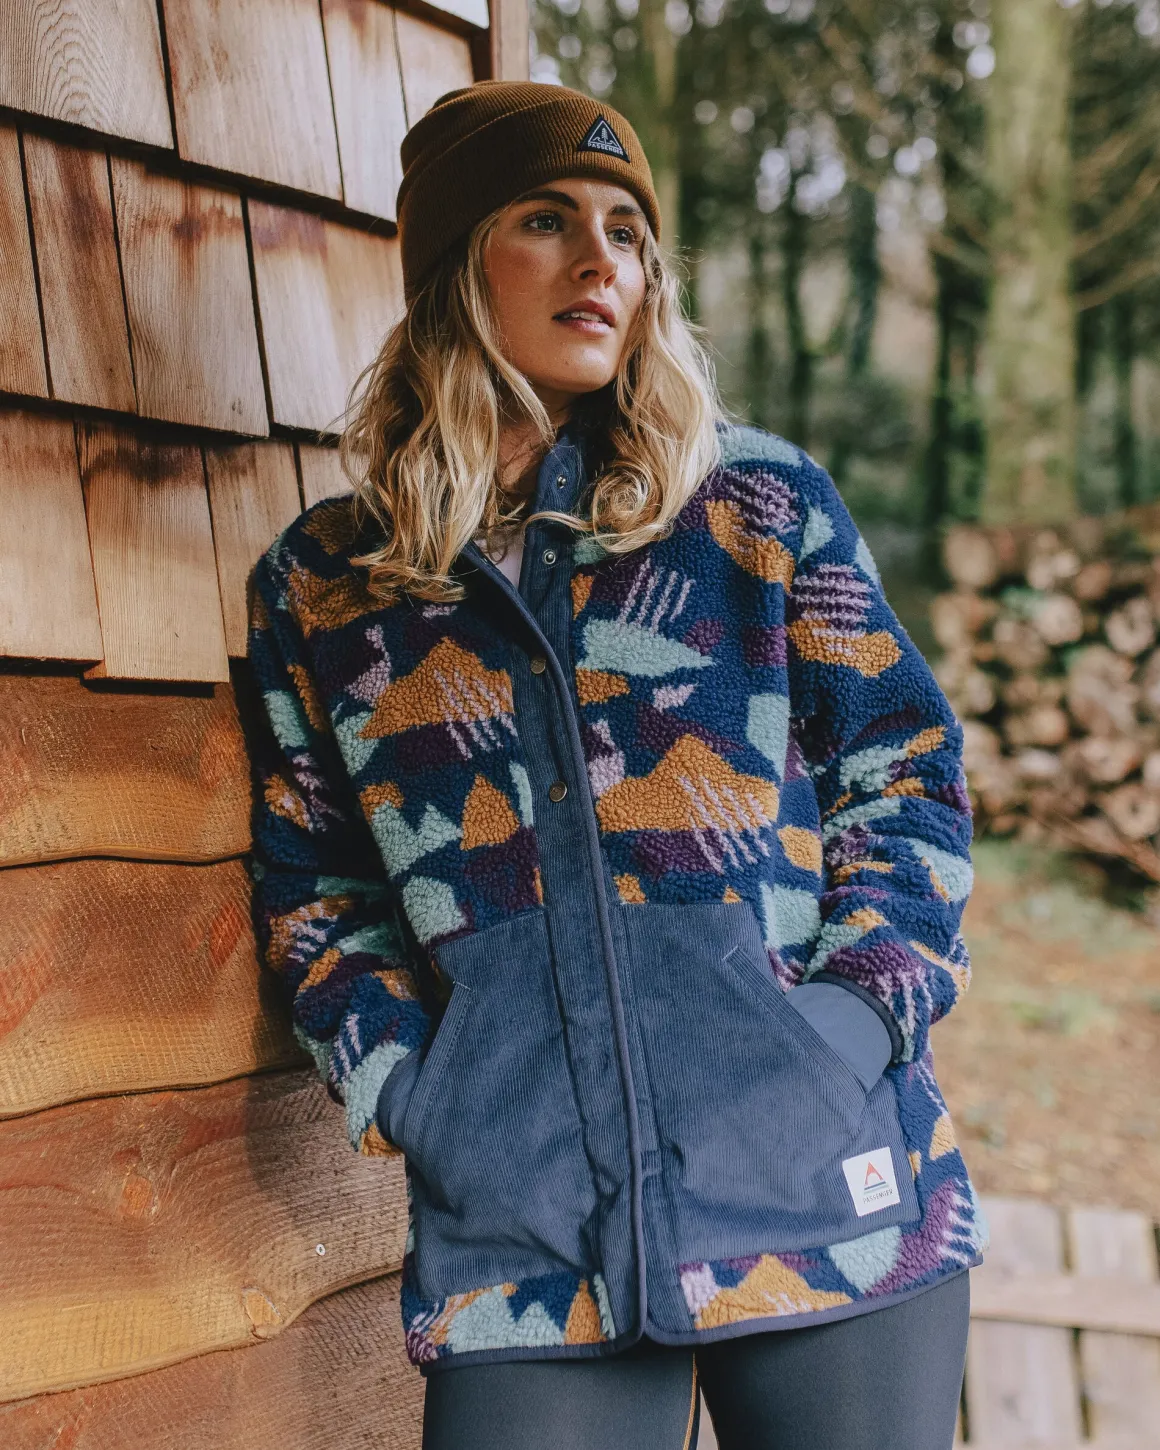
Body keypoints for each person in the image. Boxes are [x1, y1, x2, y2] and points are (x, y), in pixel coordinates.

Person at [248, 81, 983, 1450]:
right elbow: (316, 883)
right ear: (455, 266)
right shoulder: (330, 587)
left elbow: (906, 771)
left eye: (628, 233)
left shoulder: (756, 510)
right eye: (546, 219)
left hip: (828, 1188)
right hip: (525, 1234)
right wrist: (411, 1087)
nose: (602, 261)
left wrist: (850, 1023)